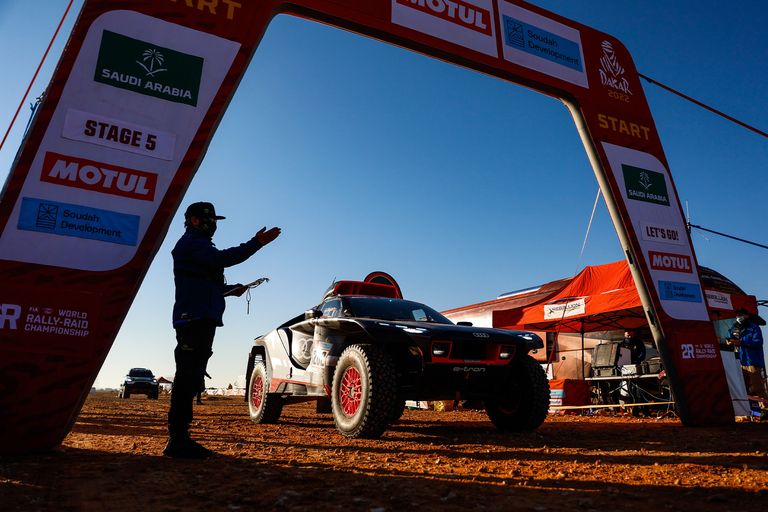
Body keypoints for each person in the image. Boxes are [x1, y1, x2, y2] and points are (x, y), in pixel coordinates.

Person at [164, 201, 281, 458]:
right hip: (192, 319)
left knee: (192, 377)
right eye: (209, 219)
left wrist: (230, 290)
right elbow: (224, 259)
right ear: (194, 220)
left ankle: (181, 438)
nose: (214, 225)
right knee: (186, 378)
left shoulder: (201, 246)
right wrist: (256, 243)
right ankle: (177, 439)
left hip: (202, 317)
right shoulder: (191, 243)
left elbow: (203, 285)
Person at [727, 308, 768, 399]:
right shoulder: (734, 327)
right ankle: (748, 410)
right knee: (742, 389)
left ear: (747, 316)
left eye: (741, 315)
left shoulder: (754, 327)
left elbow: (758, 342)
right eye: (737, 315)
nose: (738, 317)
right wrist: (729, 341)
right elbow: (730, 337)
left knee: (758, 388)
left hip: (752, 361)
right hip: (739, 361)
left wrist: (741, 342)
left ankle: (766, 406)